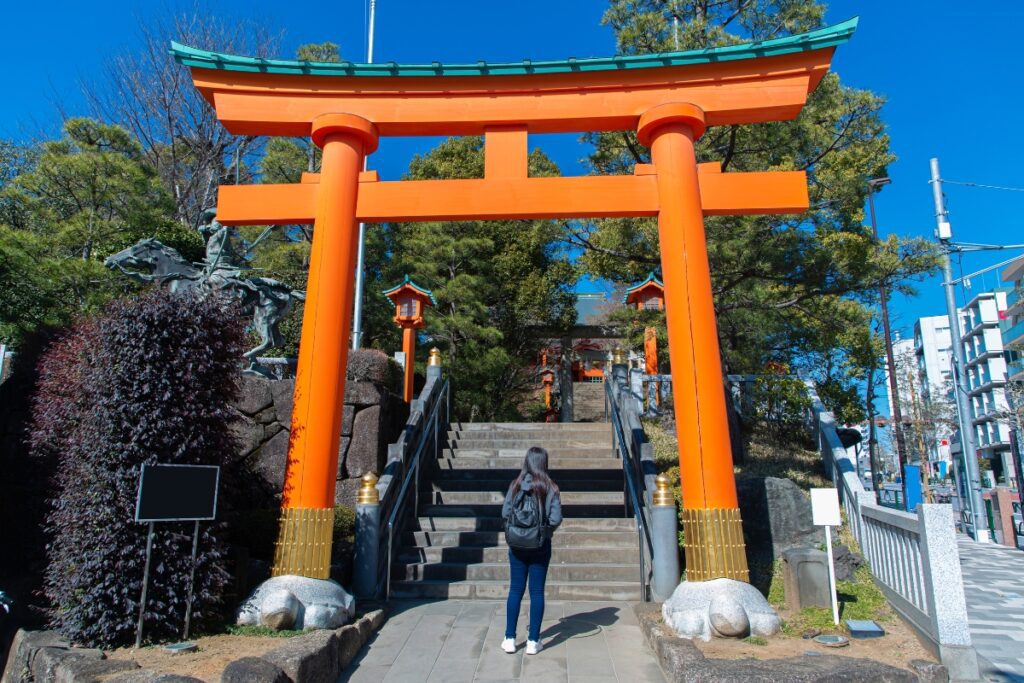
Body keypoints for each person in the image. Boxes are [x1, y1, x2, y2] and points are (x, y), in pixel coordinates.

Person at [500, 446, 562, 655]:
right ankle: (533, 640)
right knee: (536, 592)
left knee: (515, 590)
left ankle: (509, 638)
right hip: (540, 545)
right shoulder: (550, 487)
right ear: (544, 463)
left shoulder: (515, 485)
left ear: (526, 461)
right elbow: (555, 518)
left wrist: (517, 529)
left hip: (516, 545)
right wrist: (544, 532)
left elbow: (505, 511)